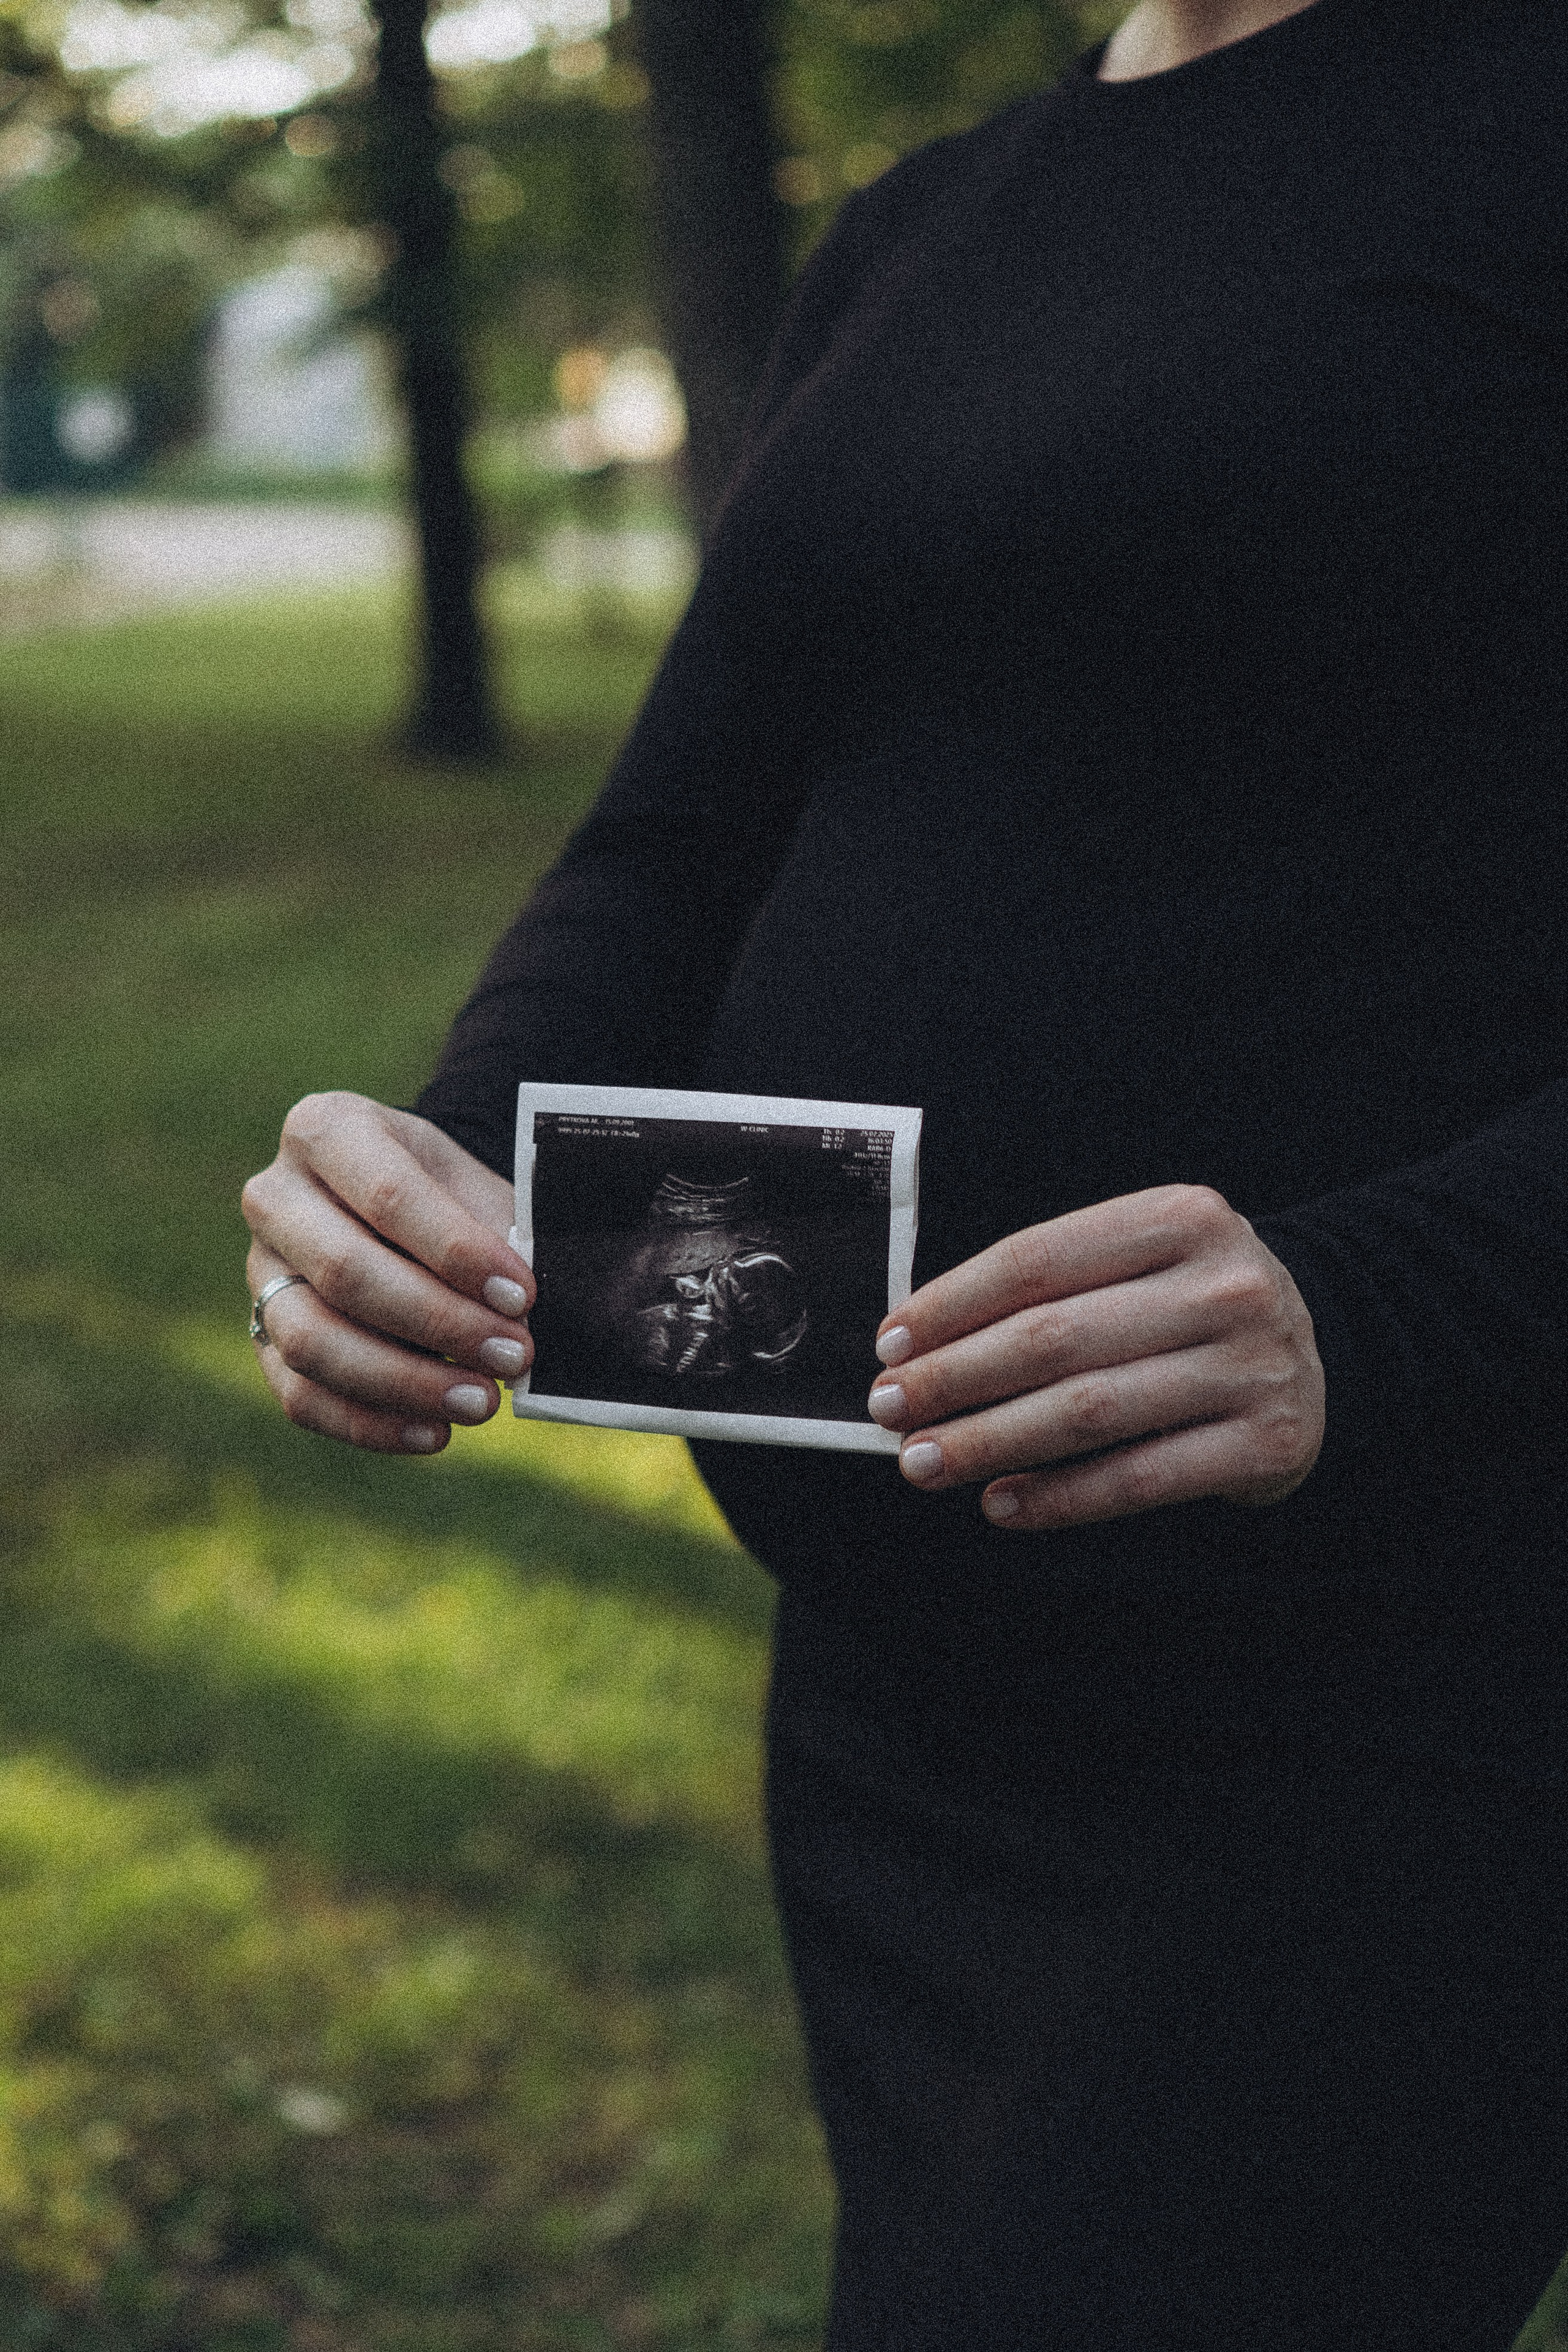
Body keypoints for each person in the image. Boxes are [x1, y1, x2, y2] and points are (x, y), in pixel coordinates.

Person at [241, 0, 1568, 2340]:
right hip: (903, 1703)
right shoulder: (929, 225)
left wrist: (1384, 1301)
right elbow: (682, 841)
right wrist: (444, 1163)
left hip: (1387, 1695)